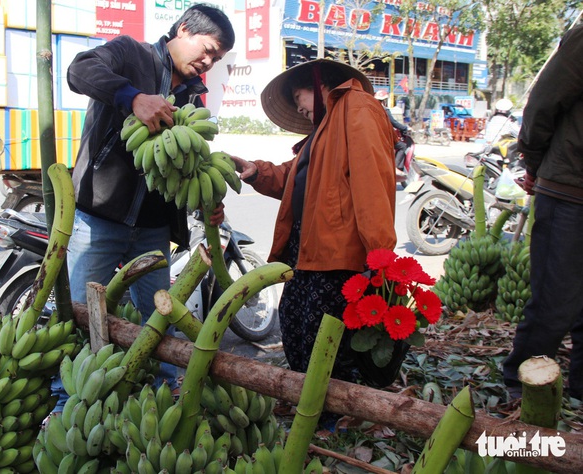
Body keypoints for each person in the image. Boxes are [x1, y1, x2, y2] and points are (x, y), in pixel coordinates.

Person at [65, 4, 235, 394]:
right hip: (99, 216)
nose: (208, 61)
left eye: (218, 58)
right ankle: (66, 399)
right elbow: (79, 70)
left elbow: (184, 168)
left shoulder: (193, 101)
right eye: (207, 49)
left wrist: (205, 197)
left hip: (154, 229)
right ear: (184, 29)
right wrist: (132, 97)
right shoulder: (130, 54)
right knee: (81, 312)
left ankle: (160, 390)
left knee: (159, 316)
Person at [230, 60, 397, 398]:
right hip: (307, 254)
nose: (299, 108)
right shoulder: (321, 133)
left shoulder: (357, 107)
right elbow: (294, 178)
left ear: (320, 83)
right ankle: (315, 409)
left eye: (298, 97)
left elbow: (372, 182)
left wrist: (381, 257)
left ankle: (332, 415)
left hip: (337, 261)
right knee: (296, 332)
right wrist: (257, 171)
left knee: (328, 350)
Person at [502, 23, 583, 401]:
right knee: (555, 298)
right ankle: (520, 386)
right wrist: (533, 161)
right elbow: (542, 102)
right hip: (569, 186)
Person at [374, 89, 411, 174]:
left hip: (374, 135)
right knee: (402, 146)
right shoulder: (384, 110)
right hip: (383, 137)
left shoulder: (371, 109)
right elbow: (393, 122)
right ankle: (396, 167)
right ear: (384, 100)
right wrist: (404, 128)